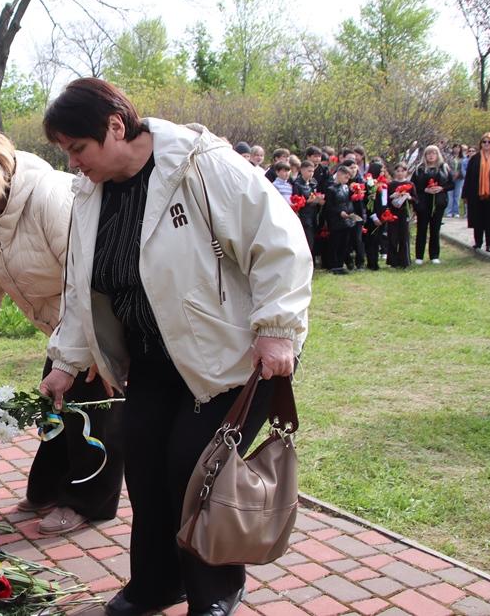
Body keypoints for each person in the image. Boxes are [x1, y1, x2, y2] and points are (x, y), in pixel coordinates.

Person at [38, 78, 312, 616]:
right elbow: (81, 287)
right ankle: (157, 584)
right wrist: (66, 362)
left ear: (115, 127)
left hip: (228, 359)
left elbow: (279, 241)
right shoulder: (91, 195)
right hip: (152, 360)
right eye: (66, 152)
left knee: (195, 474)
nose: (73, 164)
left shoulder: (202, 165)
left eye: (78, 149)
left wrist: (278, 327)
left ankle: (215, 592)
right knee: (143, 469)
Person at [0, 129, 124, 535]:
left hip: (98, 320)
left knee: (92, 416)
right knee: (56, 407)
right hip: (63, 325)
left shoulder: (50, 197)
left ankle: (89, 502)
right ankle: (47, 490)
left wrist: (95, 351)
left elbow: (86, 280)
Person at [461, 132, 490, 252]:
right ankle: (478, 242)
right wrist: (465, 194)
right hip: (476, 194)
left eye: (489, 142)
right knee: (477, 219)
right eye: (484, 142)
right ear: (480, 143)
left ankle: (489, 244)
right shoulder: (475, 159)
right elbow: (468, 178)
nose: (486, 144)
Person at [412, 145, 454, 264]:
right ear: (425, 155)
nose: (431, 156)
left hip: (438, 202)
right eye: (428, 153)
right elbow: (413, 185)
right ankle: (419, 256)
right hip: (424, 203)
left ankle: (434, 255)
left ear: (437, 155)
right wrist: (424, 190)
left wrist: (441, 188)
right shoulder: (419, 168)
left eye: (433, 153)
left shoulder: (443, 167)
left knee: (435, 229)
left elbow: (451, 184)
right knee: (422, 229)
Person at [324, 164, 360, 275]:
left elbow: (348, 202)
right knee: (335, 242)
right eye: (346, 177)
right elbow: (329, 206)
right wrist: (340, 212)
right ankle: (333, 265)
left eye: (349, 177)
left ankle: (340, 264)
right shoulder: (331, 189)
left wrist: (350, 213)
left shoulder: (346, 187)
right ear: (339, 174)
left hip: (346, 219)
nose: (347, 179)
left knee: (344, 244)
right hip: (335, 220)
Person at [387, 163, 416, 268]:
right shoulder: (391, 184)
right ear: (395, 172)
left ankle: (405, 261)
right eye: (398, 171)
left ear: (406, 172)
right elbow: (386, 201)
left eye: (402, 171)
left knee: (404, 236)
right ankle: (393, 261)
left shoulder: (410, 184)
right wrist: (392, 196)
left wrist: (409, 197)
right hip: (393, 213)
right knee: (393, 236)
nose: (400, 173)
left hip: (404, 212)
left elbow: (415, 199)